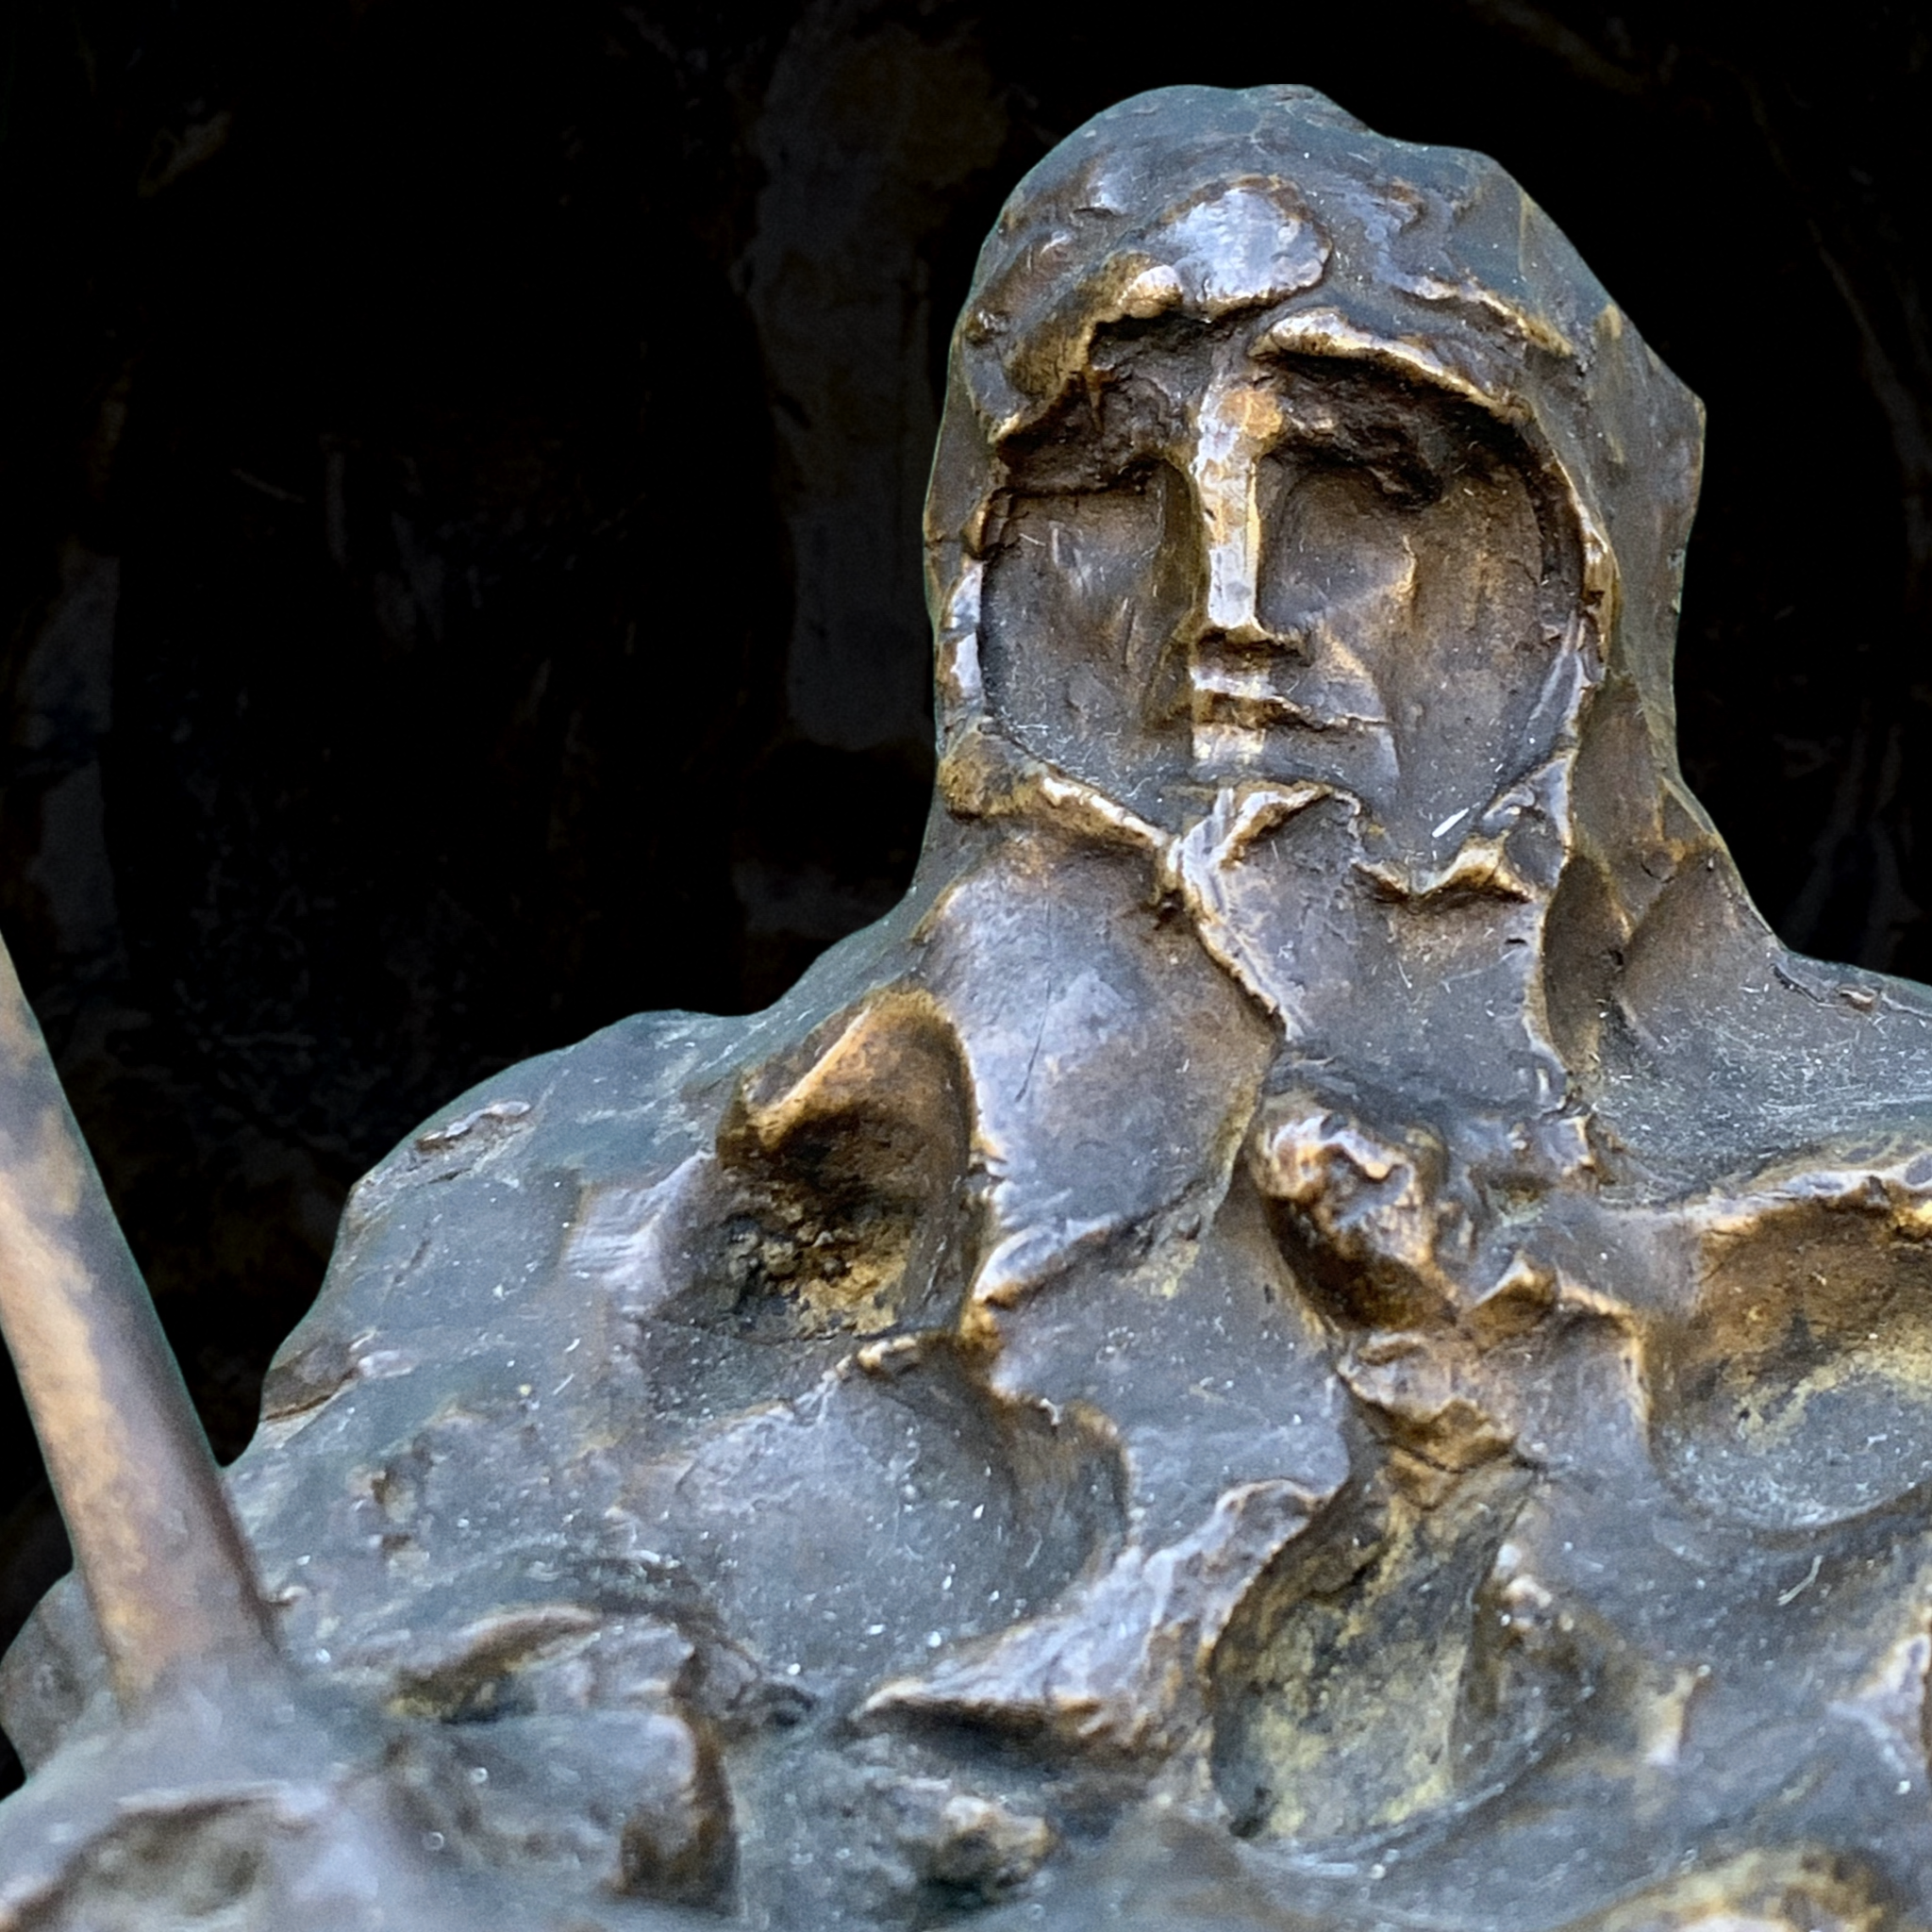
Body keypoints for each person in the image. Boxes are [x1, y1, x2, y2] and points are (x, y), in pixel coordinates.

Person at [6, 82, 1932, 1932]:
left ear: (1586, 584)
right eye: (1106, 483)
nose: (1225, 601)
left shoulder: (1885, 1235)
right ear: (972, 571)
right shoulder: (562, 1227)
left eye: (1362, 479)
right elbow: (226, 1762)